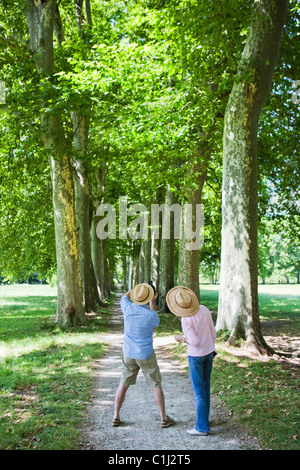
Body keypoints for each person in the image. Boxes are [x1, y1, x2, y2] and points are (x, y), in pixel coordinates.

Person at [112, 282, 175, 428]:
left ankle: (115, 416)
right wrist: (152, 301)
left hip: (129, 353)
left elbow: (125, 297)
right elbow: (155, 323)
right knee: (155, 384)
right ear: (150, 297)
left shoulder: (127, 308)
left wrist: (137, 289)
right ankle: (164, 418)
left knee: (123, 383)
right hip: (146, 354)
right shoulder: (151, 315)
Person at [166, 286, 216, 436]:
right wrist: (210, 344)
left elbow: (193, 341)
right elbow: (213, 333)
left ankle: (201, 428)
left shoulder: (186, 319)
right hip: (209, 352)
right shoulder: (204, 309)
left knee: (198, 391)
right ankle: (204, 420)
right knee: (206, 386)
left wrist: (180, 338)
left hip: (196, 356)